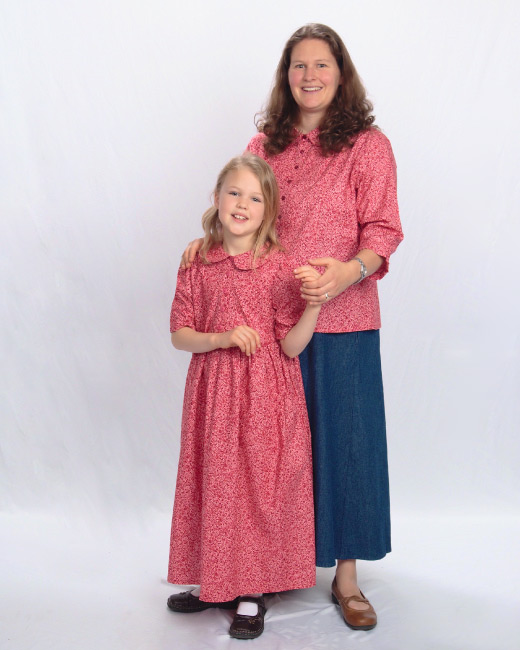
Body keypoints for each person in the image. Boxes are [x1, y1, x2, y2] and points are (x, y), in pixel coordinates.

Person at [180, 24, 404, 631]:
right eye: (298, 66)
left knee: (348, 447)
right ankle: (266, 568)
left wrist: (347, 272)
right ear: (286, 76)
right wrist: (202, 245)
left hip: (345, 316)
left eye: (320, 65)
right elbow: (239, 205)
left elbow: (384, 232)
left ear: (341, 72)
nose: (309, 76)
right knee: (266, 457)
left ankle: (348, 580)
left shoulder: (366, 144)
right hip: (264, 322)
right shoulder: (264, 142)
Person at [166, 153, 323, 640]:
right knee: (214, 482)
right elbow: (179, 333)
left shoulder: (280, 267)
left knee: (257, 487)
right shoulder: (197, 260)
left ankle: (251, 589)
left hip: (265, 398)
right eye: (234, 193)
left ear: (269, 211)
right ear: (217, 198)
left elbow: (292, 345)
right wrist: (221, 337)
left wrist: (313, 308)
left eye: (255, 198)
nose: (242, 204)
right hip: (214, 394)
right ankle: (215, 579)